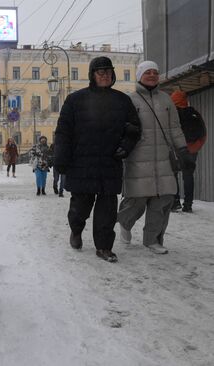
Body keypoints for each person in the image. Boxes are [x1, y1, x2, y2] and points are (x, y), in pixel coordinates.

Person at [54, 56, 141, 263]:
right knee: (80, 208)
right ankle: (76, 230)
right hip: (81, 164)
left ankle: (103, 247)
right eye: (101, 72)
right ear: (92, 75)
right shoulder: (75, 100)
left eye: (109, 72)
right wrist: (61, 159)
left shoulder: (122, 100)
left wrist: (125, 147)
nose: (105, 76)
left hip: (110, 163)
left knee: (107, 211)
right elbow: (63, 132)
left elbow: (134, 129)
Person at [117, 61, 194, 255]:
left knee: (164, 200)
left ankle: (153, 240)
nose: (152, 75)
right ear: (139, 76)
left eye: (155, 72)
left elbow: (175, 127)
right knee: (136, 200)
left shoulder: (166, 100)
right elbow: (122, 130)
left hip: (163, 159)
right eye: (147, 72)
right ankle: (124, 224)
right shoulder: (130, 100)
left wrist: (183, 150)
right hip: (138, 159)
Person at [170, 90, 207, 213]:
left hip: (178, 149)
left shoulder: (173, 114)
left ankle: (175, 202)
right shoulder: (194, 113)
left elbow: (170, 133)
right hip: (192, 150)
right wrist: (195, 147)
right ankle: (188, 204)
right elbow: (203, 133)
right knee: (188, 176)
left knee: (173, 174)